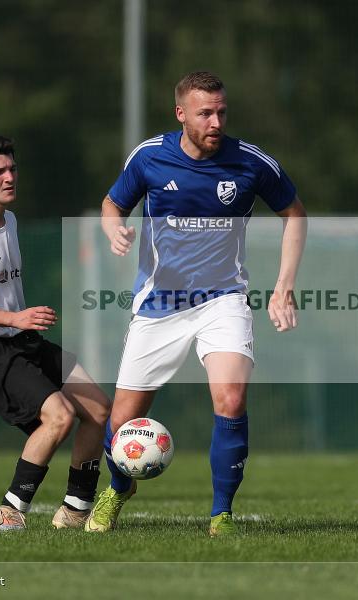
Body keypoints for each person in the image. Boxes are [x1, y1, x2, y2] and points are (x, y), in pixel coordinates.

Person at [89, 71, 307, 536]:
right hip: (158, 303)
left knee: (231, 397)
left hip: (223, 299)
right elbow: (112, 204)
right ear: (181, 113)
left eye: (221, 112)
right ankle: (117, 489)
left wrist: (284, 285)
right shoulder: (150, 157)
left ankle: (221, 515)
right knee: (124, 416)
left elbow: (295, 214)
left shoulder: (251, 163)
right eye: (205, 112)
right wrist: (114, 229)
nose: (215, 121)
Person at [0, 135, 110, 531]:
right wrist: (15, 319)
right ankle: (9, 511)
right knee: (59, 417)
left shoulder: (9, 220)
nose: (9, 177)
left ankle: (75, 510)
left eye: (12, 168)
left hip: (21, 339)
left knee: (99, 409)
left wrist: (20, 323)